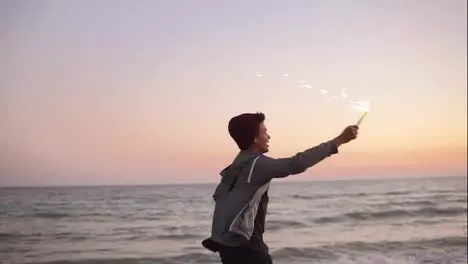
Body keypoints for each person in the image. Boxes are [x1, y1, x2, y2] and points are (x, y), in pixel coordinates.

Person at [201, 112, 359, 264]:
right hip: (247, 249)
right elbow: (297, 163)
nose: (268, 136)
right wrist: (340, 140)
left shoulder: (235, 167)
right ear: (255, 138)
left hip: (229, 248)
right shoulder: (255, 164)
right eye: (265, 132)